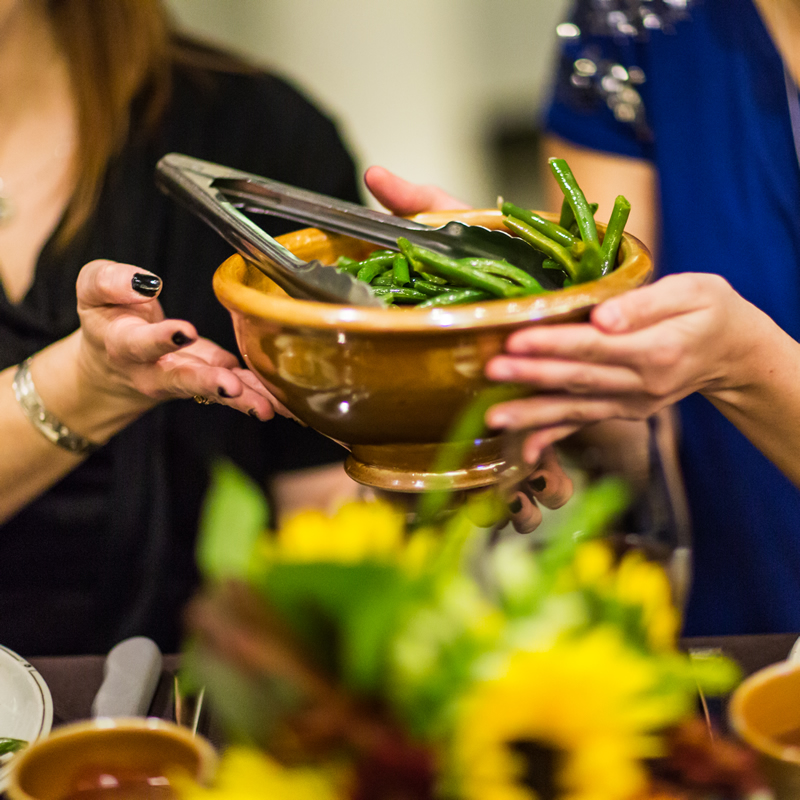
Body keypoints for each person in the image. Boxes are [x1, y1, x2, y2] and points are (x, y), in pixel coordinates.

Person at [373, 0, 800, 637]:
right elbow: (625, 387)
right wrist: (521, 325)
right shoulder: (637, 23)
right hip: (732, 602)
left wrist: (748, 366)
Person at [0, 0, 367, 656]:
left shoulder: (258, 137)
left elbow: (330, 503)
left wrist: (437, 443)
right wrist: (86, 385)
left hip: (208, 712)